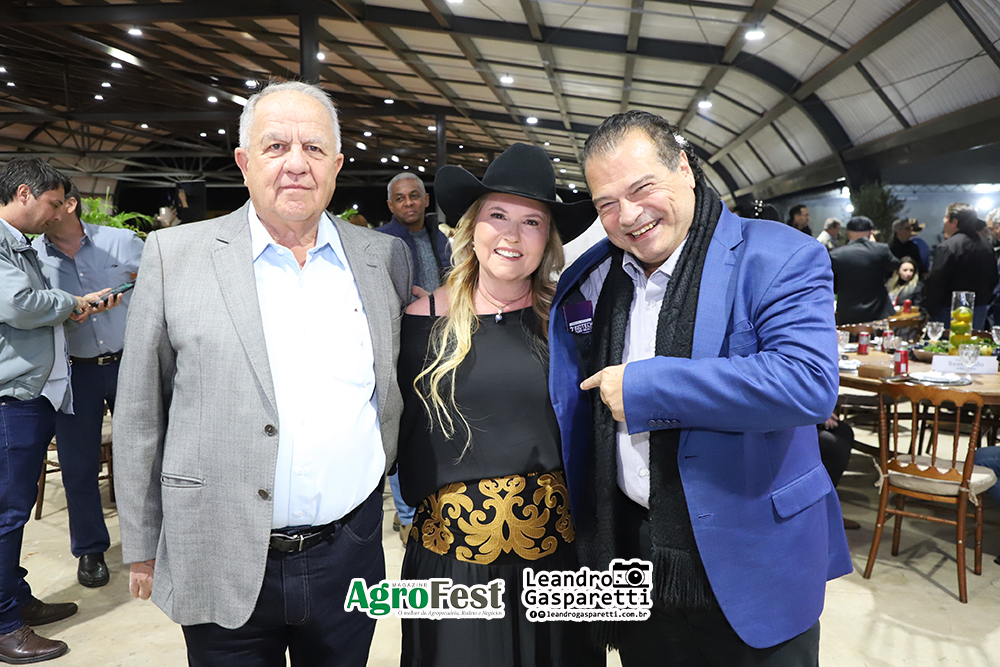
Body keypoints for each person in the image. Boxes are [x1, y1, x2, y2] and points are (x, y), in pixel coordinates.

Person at [113, 81, 412, 666]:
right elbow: (141, 412)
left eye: (314, 148)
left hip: (349, 551)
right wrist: (143, 542)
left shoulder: (381, 258)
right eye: (276, 146)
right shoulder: (176, 256)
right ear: (244, 162)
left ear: (337, 166)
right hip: (218, 548)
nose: (296, 164)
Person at [549, 111, 850, 666]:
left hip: (753, 547)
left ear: (684, 169)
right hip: (632, 552)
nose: (628, 216)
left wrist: (647, 386)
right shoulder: (599, 274)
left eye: (642, 188)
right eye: (606, 204)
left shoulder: (777, 255)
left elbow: (807, 382)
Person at [395, 143, 602, 667]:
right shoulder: (421, 320)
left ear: (548, 240)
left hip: (559, 564)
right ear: (472, 227)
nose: (511, 235)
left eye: (531, 222)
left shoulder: (571, 318)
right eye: (498, 216)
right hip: (452, 565)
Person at [0, 157, 121, 664]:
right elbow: (19, 304)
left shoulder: (18, 244)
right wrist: (71, 303)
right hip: (12, 397)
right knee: (7, 513)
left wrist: (73, 307)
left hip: (33, 393)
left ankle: (15, 598)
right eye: (51, 203)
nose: (55, 214)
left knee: (14, 507)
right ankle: (5, 624)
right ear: (24, 193)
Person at [31, 183, 144, 588]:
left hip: (129, 364)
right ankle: (91, 550)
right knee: (78, 466)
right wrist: (66, 312)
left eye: (47, 204)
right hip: (74, 372)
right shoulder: (34, 257)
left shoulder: (122, 242)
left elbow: (160, 287)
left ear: (69, 204)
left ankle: (149, 543)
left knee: (143, 457)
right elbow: (31, 310)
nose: (38, 213)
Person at [376, 171, 453, 543]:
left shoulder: (442, 240)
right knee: (402, 427)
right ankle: (407, 516)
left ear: (426, 200)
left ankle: (423, 505)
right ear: (391, 205)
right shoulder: (382, 244)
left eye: (414, 196)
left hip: (443, 343)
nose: (408, 203)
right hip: (401, 346)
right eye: (400, 198)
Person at [924, 205, 998, 330]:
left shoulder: (948, 246)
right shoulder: (987, 246)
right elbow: (993, 279)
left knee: (947, 342)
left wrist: (930, 309)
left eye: (946, 217)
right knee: (973, 341)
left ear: (955, 222)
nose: (943, 221)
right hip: (978, 309)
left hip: (948, 310)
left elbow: (936, 282)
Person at [829, 216, 899, 325]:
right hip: (878, 312)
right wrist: (874, 245)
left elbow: (833, 284)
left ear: (848, 233)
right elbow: (895, 266)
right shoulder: (881, 250)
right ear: (871, 233)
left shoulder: (836, 255)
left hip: (848, 313)